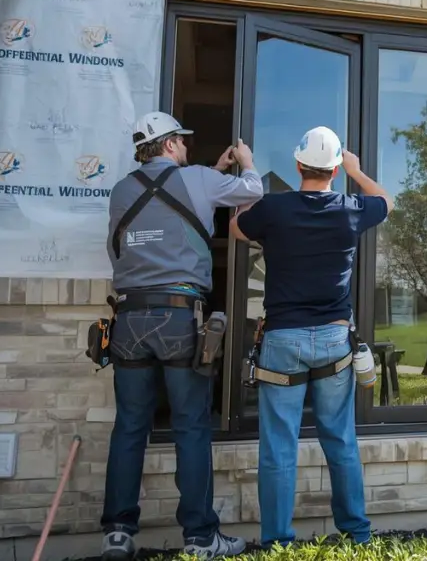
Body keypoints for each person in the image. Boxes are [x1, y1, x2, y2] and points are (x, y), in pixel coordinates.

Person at [100, 112, 264, 560]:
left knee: (130, 426)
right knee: (191, 427)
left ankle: (117, 533)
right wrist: (245, 162)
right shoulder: (196, 180)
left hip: (129, 319)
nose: (187, 148)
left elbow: (143, 223)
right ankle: (200, 538)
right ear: (170, 145)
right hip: (178, 318)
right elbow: (254, 191)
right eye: (183, 142)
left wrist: (209, 173)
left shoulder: (120, 190)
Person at [229, 126, 392, 549]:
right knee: (339, 437)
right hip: (334, 343)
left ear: (298, 164)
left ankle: (277, 543)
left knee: (279, 445)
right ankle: (356, 534)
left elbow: (237, 227)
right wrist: (357, 172)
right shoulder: (351, 208)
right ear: (335, 169)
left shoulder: (275, 209)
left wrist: (248, 167)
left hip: (283, 340)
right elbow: (388, 202)